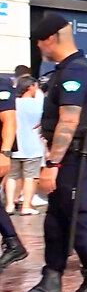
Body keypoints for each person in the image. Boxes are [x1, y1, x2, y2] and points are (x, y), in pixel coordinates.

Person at [14, 13, 87, 292]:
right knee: (55, 220)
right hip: (69, 156)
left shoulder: (75, 72)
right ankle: (50, 281)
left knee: (79, 218)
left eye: (40, 42)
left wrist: (52, 165)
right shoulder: (67, 70)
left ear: (50, 38)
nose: (39, 49)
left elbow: (70, 119)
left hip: (74, 158)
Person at [0, 73, 29, 271]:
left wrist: (5, 153)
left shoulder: (1, 84)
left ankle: (13, 243)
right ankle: (12, 243)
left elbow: (9, 121)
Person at [6, 77, 44, 218]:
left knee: (12, 176)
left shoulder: (12, 103)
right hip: (33, 146)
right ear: (31, 87)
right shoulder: (38, 104)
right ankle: (26, 206)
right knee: (30, 177)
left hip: (13, 145)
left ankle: (9, 204)